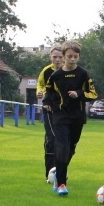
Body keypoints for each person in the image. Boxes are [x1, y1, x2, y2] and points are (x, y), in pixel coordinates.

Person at [42, 41, 97, 196]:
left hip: (77, 117)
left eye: (75, 56)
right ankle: (61, 184)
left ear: (78, 57)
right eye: (69, 56)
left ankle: (58, 174)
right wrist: (46, 103)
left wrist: (78, 93)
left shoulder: (83, 74)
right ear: (64, 56)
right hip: (60, 116)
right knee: (61, 147)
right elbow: (48, 92)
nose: (72, 59)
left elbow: (93, 94)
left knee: (70, 148)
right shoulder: (55, 76)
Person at [37, 46, 64, 183]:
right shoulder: (46, 71)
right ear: (50, 57)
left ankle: (61, 172)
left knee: (65, 142)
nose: (58, 59)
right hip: (49, 109)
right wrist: (40, 92)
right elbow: (40, 85)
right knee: (51, 140)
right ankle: (50, 174)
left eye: (60, 57)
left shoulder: (69, 71)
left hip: (65, 112)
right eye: (55, 57)